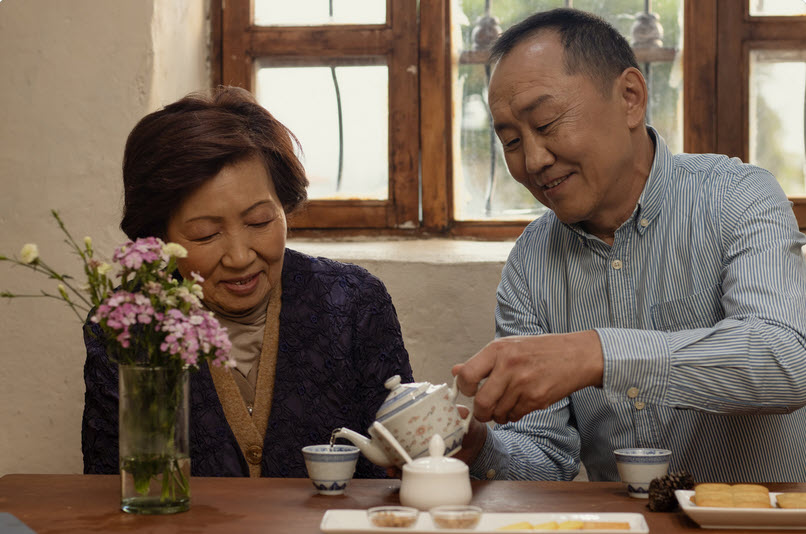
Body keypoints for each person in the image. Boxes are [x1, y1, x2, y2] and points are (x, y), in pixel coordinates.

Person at [452, 8, 806, 483]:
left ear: (630, 97)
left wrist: (598, 355)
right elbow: (547, 459)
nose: (533, 160)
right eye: (512, 141)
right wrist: (478, 446)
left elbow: (784, 357)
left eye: (548, 122)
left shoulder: (737, 197)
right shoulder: (530, 267)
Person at [82, 86, 413, 478]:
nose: (240, 257)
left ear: (284, 206)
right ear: (160, 237)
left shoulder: (354, 303)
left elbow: (403, 469)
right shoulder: (129, 326)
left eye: (259, 222)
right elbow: (108, 490)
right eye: (205, 234)